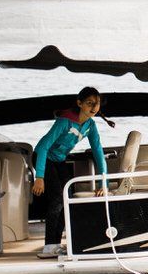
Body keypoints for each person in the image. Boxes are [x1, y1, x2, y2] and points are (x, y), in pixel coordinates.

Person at [31, 86, 108, 257]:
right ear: (79, 103)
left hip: (58, 160)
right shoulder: (64, 121)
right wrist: (39, 177)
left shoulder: (90, 125)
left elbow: (98, 152)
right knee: (57, 198)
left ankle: (58, 244)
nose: (94, 107)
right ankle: (49, 246)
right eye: (90, 103)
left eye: (97, 104)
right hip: (42, 157)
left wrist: (104, 183)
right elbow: (43, 147)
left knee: (68, 199)